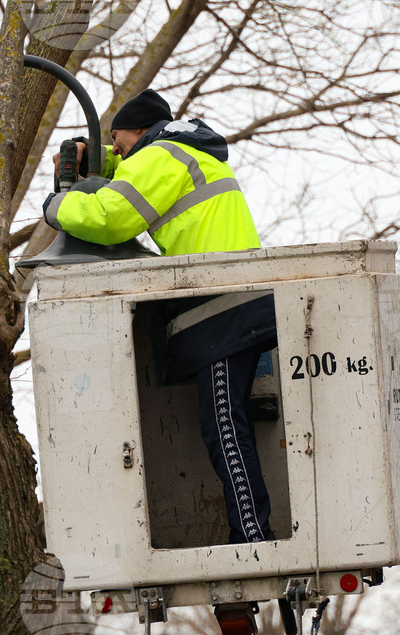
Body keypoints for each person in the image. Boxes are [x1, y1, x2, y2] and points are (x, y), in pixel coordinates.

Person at [43, 89, 276, 545]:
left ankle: (251, 534)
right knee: (224, 423)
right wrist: (101, 163)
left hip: (220, 304)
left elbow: (112, 216)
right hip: (228, 300)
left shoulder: (163, 156)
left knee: (224, 425)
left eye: (117, 141)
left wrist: (56, 205)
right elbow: (132, 173)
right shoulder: (183, 151)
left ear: (140, 132)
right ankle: (249, 529)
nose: (115, 150)